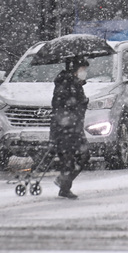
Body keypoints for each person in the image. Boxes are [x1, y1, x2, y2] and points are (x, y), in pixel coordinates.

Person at [49, 55, 91, 199]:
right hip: (65, 129)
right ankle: (64, 187)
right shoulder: (66, 84)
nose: (84, 72)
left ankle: (64, 183)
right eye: (83, 69)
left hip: (74, 128)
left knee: (81, 156)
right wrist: (81, 103)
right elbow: (61, 106)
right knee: (71, 159)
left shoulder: (75, 84)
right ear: (75, 69)